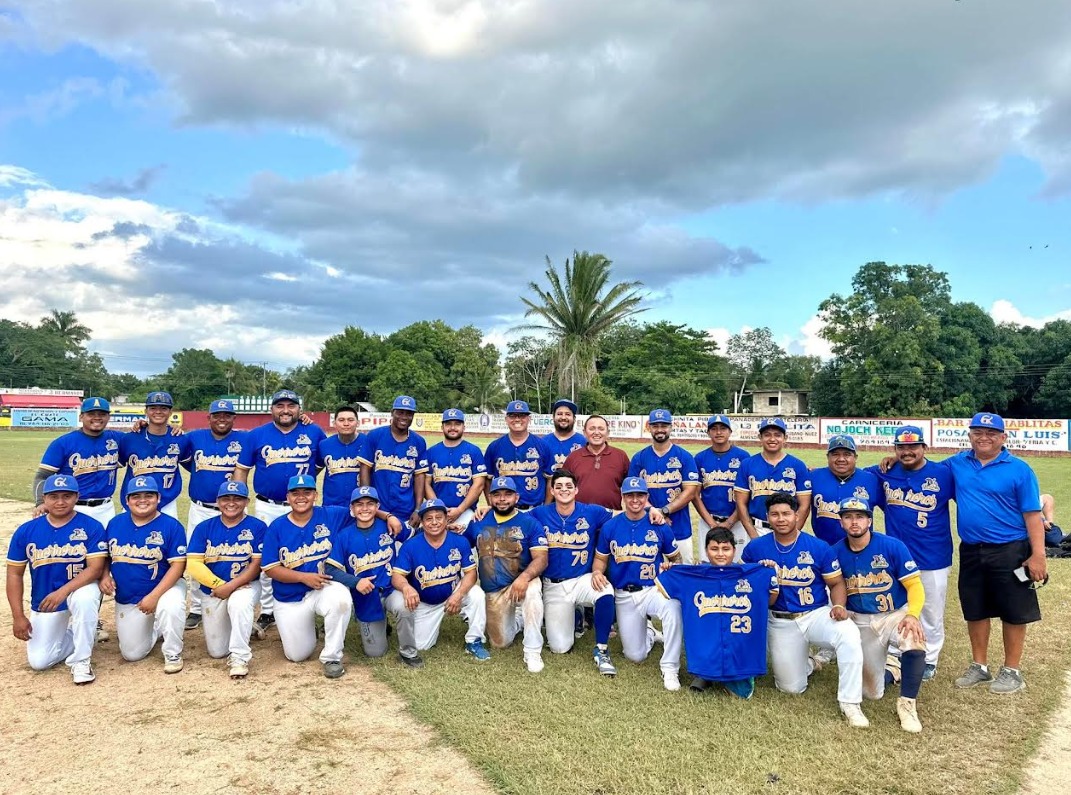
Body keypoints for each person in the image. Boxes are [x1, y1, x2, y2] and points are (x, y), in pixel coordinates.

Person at [741, 492, 867, 728]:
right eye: (775, 514)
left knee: (849, 633)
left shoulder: (818, 547)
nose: (781, 519)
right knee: (791, 688)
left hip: (815, 614)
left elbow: (836, 583)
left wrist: (838, 605)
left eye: (786, 513)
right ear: (767, 516)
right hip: (780, 620)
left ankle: (850, 702)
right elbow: (747, 587)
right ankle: (809, 663)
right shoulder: (755, 549)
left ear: (797, 515)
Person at [947, 413, 1046, 695]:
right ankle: (979, 666)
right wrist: (891, 461)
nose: (984, 437)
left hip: (1010, 549)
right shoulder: (957, 463)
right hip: (971, 549)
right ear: (970, 436)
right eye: (978, 432)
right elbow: (923, 470)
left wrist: (1038, 555)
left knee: (1013, 610)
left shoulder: (1019, 469)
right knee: (975, 608)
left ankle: (1012, 670)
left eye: (991, 433)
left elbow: (1032, 515)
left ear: (1003, 437)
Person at [233, 388, 327, 637]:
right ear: (272, 409)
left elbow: (320, 464)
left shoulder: (314, 432)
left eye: (291, 405)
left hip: (303, 507)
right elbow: (242, 470)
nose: (286, 410)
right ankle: (267, 611)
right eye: (280, 405)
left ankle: (311, 609)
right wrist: (239, 500)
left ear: (299, 409)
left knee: (307, 554)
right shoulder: (256, 435)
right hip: (268, 505)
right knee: (268, 557)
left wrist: (304, 485)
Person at [833, 497, 926, 733]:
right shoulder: (835, 552)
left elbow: (914, 585)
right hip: (860, 619)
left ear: (869, 520)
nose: (854, 522)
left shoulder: (892, 546)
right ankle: (892, 669)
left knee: (913, 641)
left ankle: (907, 705)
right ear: (841, 522)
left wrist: (913, 615)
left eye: (860, 516)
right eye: (848, 517)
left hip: (894, 614)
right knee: (871, 693)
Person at [869, 425, 955, 681]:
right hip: (897, 556)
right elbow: (852, 476)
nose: (907, 452)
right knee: (896, 606)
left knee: (930, 610)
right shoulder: (884, 472)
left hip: (933, 554)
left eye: (913, 447)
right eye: (901, 447)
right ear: (894, 449)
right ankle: (897, 653)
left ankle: (929, 658)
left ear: (924, 447)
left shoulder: (943, 473)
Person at [6, 474, 107, 684]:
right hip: (46, 598)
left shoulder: (91, 526)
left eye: (66, 496)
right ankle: (82, 633)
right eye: (54, 496)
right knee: (39, 661)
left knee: (85, 598)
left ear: (76, 497)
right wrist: (18, 616)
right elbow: (14, 574)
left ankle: (81, 662)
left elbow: (95, 569)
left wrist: (63, 592)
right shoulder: (26, 531)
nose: (60, 502)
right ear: (44, 499)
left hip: (79, 589)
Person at [656, 527, 779, 699]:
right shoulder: (693, 575)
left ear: (734, 550)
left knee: (742, 694)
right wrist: (668, 569)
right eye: (714, 549)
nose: (720, 554)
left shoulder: (752, 575)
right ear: (706, 551)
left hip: (739, 648)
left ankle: (712, 676)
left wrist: (769, 569)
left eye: (726, 549)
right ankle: (707, 674)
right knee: (708, 651)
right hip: (707, 649)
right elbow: (665, 586)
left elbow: (770, 600)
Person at [592, 477, 684, 691]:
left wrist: (671, 567)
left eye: (640, 495)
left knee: (673, 607)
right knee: (635, 656)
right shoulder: (611, 526)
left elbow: (677, 559)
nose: (635, 500)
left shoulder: (659, 525)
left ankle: (670, 667)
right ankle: (650, 633)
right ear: (623, 498)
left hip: (652, 589)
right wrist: (597, 571)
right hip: (624, 594)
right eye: (630, 495)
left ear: (647, 497)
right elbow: (600, 559)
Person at [259, 474, 353, 679]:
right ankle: (310, 629)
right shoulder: (277, 527)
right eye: (295, 493)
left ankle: (332, 657)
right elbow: (270, 568)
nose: (301, 497)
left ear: (315, 495)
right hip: (289, 597)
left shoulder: (332, 515)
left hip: (323, 587)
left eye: (307, 492)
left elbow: (363, 511)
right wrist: (303, 577)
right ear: (288, 497)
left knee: (341, 600)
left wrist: (387, 516)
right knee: (297, 655)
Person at [530, 469, 619, 676]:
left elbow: (621, 515)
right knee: (560, 647)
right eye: (559, 486)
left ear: (576, 490)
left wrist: (652, 510)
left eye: (569, 486)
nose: (564, 490)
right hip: (553, 585)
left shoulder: (591, 512)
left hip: (581, 579)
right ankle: (577, 615)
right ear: (552, 490)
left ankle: (602, 650)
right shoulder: (540, 513)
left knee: (605, 590)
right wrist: (487, 509)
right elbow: (513, 517)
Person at [100, 475, 188, 673]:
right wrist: (105, 575)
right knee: (131, 654)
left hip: (165, 588)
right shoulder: (115, 523)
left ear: (158, 498)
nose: (142, 500)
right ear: (127, 500)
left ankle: (173, 652)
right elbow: (105, 555)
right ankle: (157, 627)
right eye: (136, 496)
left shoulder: (171, 525)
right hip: (129, 597)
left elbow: (178, 566)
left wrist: (154, 597)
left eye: (149, 495)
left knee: (171, 605)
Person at [324, 486, 417, 666]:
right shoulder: (344, 536)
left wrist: (447, 529)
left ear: (377, 506)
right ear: (352, 508)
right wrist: (355, 581)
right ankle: (381, 624)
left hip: (391, 589)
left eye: (370, 504)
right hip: (366, 597)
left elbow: (417, 535)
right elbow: (330, 569)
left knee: (404, 607)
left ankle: (409, 653)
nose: (365, 508)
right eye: (359, 504)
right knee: (375, 652)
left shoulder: (389, 526)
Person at [464, 476, 548, 672]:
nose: (502, 499)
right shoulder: (478, 521)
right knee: (500, 642)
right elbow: (460, 544)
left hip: (522, 581)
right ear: (490, 498)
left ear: (516, 497)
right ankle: (520, 619)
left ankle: (532, 651)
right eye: (497, 495)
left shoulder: (529, 523)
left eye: (507, 494)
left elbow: (542, 559)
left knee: (533, 592)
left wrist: (524, 578)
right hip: (494, 590)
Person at [391, 498, 490, 663]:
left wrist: (458, 595)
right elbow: (397, 576)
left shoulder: (459, 541)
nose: (434, 522)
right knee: (421, 645)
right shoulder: (411, 545)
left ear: (446, 519)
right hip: (424, 602)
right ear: (422, 522)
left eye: (439, 517)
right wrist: (406, 588)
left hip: (452, 592)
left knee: (476, 595)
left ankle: (474, 641)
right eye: (429, 518)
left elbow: (471, 573)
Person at [184, 480, 265, 679]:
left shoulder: (257, 527)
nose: (231, 503)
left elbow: (256, 565)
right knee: (217, 651)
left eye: (237, 498)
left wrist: (232, 586)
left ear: (247, 502)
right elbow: (193, 565)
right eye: (226, 498)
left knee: (239, 603)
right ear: (218, 501)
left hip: (246, 586)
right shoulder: (204, 527)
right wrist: (220, 586)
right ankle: (246, 625)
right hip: (213, 590)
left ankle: (239, 657)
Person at [183, 398, 246, 631]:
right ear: (208, 417)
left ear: (233, 418)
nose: (222, 419)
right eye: (217, 415)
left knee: (235, 554)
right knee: (198, 557)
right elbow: (174, 450)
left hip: (234, 507)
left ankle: (236, 598)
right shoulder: (194, 437)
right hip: (201, 508)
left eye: (227, 415)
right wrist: (141, 424)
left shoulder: (244, 439)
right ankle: (196, 607)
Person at [33, 396, 124, 527]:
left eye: (102, 414)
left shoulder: (118, 439)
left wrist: (141, 425)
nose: (97, 418)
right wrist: (40, 502)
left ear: (108, 417)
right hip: (73, 507)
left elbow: (140, 445)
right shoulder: (63, 443)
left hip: (106, 508)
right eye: (91, 414)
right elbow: (42, 476)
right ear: (81, 417)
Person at [627, 409, 700, 562]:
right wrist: (653, 510)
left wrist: (665, 511)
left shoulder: (684, 456)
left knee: (682, 570)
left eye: (664, 425)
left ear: (671, 427)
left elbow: (690, 491)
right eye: (655, 426)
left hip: (679, 526)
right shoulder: (639, 458)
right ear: (649, 427)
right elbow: (632, 493)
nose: (660, 429)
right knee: (650, 570)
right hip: (647, 524)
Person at [358, 395, 428, 534]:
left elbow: (419, 477)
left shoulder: (419, 442)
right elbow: (365, 468)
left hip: (406, 509)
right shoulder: (375, 436)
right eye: (400, 412)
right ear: (392, 413)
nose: (404, 417)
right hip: (378, 507)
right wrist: (367, 500)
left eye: (409, 414)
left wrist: (418, 509)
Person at [117, 391, 192, 519]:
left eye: (163, 408)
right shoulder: (129, 439)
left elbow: (192, 467)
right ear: (146, 411)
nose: (158, 412)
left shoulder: (180, 439)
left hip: (167, 503)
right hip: (134, 500)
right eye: (153, 408)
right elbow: (113, 466)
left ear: (170, 412)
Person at [734, 417, 812, 540]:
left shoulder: (797, 465)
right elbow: (741, 504)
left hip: (788, 529)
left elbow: (804, 506)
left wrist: (792, 534)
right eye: (767, 435)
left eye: (777, 435)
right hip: (756, 527)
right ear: (760, 437)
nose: (772, 439)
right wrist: (754, 536)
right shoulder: (747, 464)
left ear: (785, 438)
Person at [692, 414, 750, 561]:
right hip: (708, 521)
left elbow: (747, 496)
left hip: (738, 521)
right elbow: (695, 495)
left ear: (730, 431)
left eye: (723, 428)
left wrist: (730, 522)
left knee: (736, 563)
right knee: (708, 562)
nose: (718, 432)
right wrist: (711, 523)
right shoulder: (700, 458)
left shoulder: (743, 457)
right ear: (708, 432)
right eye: (714, 429)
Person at [808, 435, 882, 546]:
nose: (841, 459)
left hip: (860, 548)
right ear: (828, 457)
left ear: (855, 457)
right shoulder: (813, 477)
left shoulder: (871, 480)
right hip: (822, 547)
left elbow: (892, 510)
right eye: (835, 454)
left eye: (847, 454)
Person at [424, 408, 488, 530]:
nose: (453, 427)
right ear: (442, 427)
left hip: (466, 512)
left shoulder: (474, 451)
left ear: (464, 427)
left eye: (457, 424)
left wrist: (459, 510)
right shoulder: (431, 452)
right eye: (448, 424)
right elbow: (426, 484)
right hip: (437, 513)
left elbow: (479, 484)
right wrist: (439, 508)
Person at [484, 400, 553, 509]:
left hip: (534, 509)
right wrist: (492, 505)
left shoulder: (542, 445)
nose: (517, 419)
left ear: (529, 419)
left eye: (522, 415)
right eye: (512, 415)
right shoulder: (494, 446)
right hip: (504, 510)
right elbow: (486, 480)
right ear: (506, 419)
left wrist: (546, 508)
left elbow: (550, 479)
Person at [562, 414, 631, 510]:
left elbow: (631, 487)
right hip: (579, 515)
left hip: (611, 515)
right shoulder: (573, 457)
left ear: (608, 432)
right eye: (592, 428)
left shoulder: (620, 456)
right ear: (584, 432)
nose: (596, 432)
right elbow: (563, 487)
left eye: (601, 429)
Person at [319, 405, 365, 509]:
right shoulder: (324, 445)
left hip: (360, 505)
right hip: (331, 506)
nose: (346, 424)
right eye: (341, 420)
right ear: (334, 423)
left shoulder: (368, 442)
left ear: (358, 423)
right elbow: (315, 469)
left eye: (350, 420)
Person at [541, 398, 587, 471]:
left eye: (568, 414)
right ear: (553, 417)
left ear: (574, 418)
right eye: (559, 414)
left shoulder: (584, 442)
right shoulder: (543, 442)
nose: (563, 417)